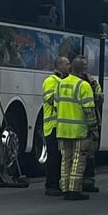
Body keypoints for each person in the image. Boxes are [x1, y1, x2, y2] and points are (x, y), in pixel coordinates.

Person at [56, 63, 99, 201]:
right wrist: (93, 128)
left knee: (65, 160)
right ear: (83, 71)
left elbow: (56, 103)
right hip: (79, 130)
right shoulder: (83, 86)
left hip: (62, 129)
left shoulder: (61, 84)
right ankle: (74, 190)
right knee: (78, 160)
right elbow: (89, 110)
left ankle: (65, 188)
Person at [73, 55, 103, 194]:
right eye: (84, 65)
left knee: (88, 155)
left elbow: (100, 97)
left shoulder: (91, 82)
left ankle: (87, 182)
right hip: (82, 123)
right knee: (79, 156)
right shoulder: (81, 83)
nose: (85, 67)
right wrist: (93, 126)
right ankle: (76, 185)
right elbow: (92, 104)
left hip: (78, 124)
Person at [42, 56, 70, 197]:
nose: (68, 66)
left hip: (62, 127)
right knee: (53, 157)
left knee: (60, 158)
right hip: (52, 126)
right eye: (66, 64)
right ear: (59, 65)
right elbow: (51, 99)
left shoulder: (63, 81)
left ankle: (58, 183)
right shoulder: (51, 81)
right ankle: (51, 185)